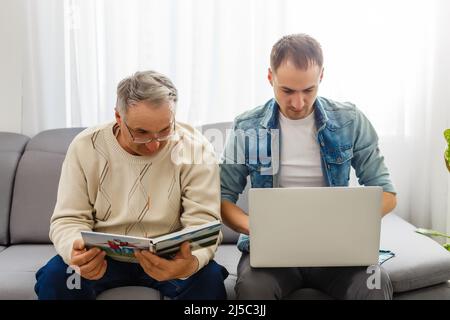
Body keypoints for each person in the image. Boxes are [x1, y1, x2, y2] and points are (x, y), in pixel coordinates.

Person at [220, 34, 397, 300]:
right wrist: (256, 226)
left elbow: (387, 194)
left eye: (308, 90)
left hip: (338, 252)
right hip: (272, 252)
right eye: (287, 91)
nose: (298, 103)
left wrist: (348, 223)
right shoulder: (248, 127)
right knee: (253, 289)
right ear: (270, 78)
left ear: (321, 77)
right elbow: (223, 198)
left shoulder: (350, 121)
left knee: (374, 283)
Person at [35, 70, 228, 300]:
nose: (154, 145)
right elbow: (68, 219)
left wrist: (189, 263)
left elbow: (204, 223)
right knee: (57, 279)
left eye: (165, 130)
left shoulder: (196, 148)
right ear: (118, 117)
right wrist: (74, 250)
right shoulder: (86, 147)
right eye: (141, 133)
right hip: (102, 258)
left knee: (209, 281)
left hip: (171, 258)